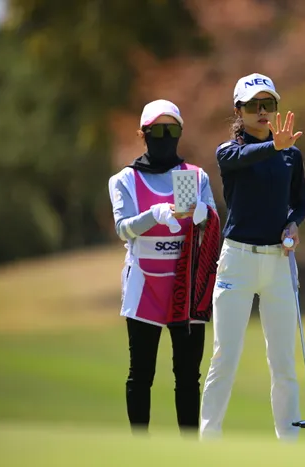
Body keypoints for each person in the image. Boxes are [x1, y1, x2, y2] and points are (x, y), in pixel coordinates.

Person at [199, 73, 305, 442]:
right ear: (238, 110)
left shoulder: (291, 155)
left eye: (268, 104)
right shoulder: (229, 152)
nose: (262, 111)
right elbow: (246, 157)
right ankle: (207, 443)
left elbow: (300, 205)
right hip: (237, 262)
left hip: (278, 262)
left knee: (283, 362)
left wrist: (293, 224)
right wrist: (274, 146)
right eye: (253, 105)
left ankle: (289, 445)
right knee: (225, 356)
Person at [107, 99, 221, 435]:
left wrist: (202, 213)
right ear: (143, 134)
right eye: (157, 130)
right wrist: (154, 215)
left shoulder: (195, 176)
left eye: (172, 130)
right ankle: (141, 449)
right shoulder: (125, 180)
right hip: (144, 285)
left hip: (187, 286)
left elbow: (213, 223)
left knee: (187, 376)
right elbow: (123, 228)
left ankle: (188, 450)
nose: (165, 137)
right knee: (141, 374)